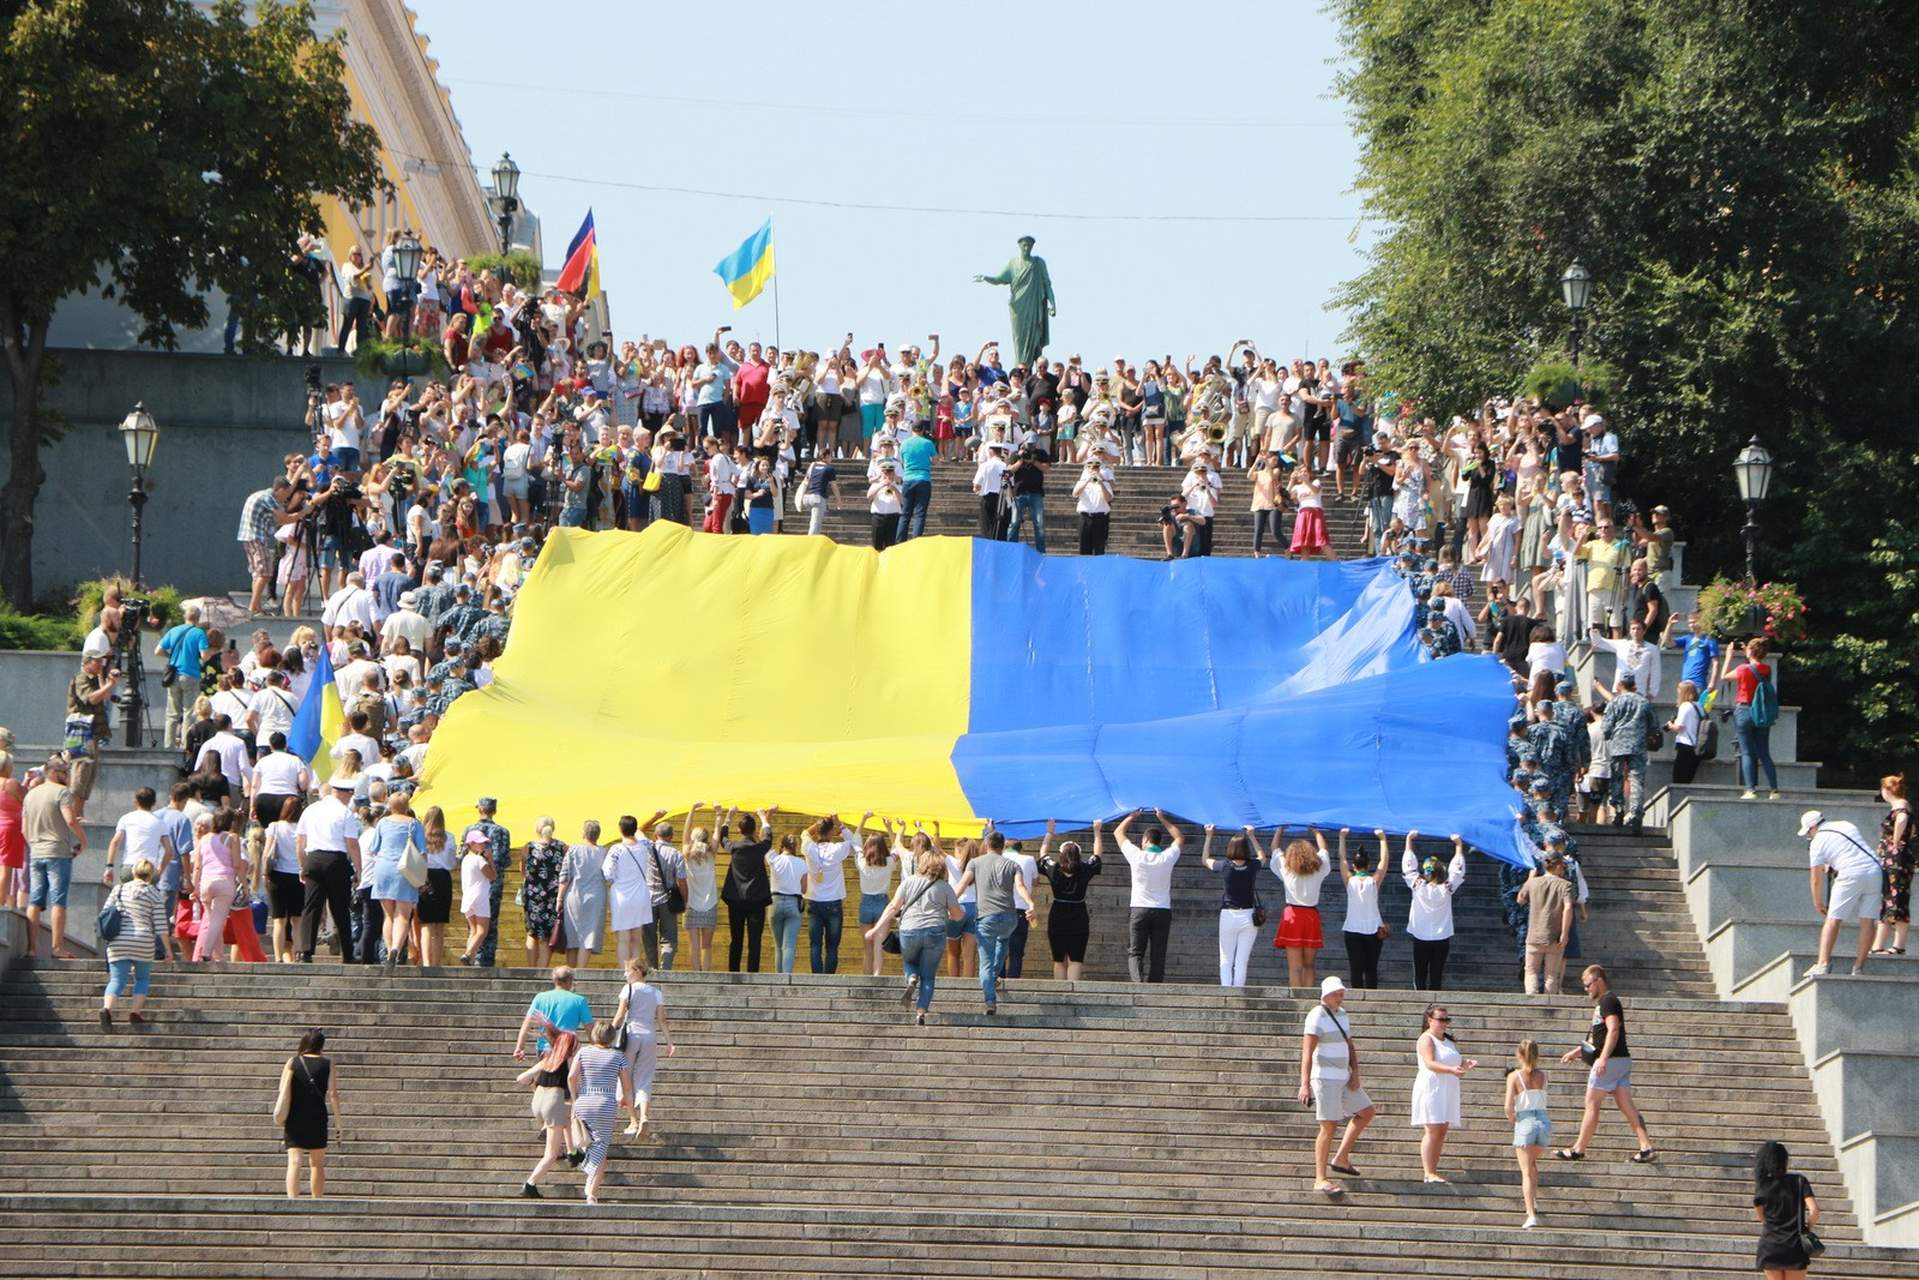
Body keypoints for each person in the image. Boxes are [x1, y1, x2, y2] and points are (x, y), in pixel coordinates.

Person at [1556, 964, 1657, 1164]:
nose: (1586, 989)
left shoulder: (1608, 1001)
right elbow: (1599, 1036)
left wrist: (1602, 1058)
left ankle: (1578, 1149)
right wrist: (1577, 1052)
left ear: (1599, 981)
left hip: (1609, 1062)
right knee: (1627, 1106)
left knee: (1591, 1105)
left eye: (1587, 985)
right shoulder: (1606, 1002)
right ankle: (1646, 1147)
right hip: (1621, 1061)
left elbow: (1613, 1030)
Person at [513, 966, 593, 1198]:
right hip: (566, 1053)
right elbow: (589, 1029)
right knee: (565, 1101)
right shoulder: (578, 1000)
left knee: (557, 1103)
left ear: (553, 980)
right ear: (571, 981)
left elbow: (527, 1024)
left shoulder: (541, 997)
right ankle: (565, 1148)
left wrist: (519, 1046)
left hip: (544, 1052)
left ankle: (569, 1148)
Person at [863, 847, 964, 1026]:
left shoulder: (908, 882)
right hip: (935, 931)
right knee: (928, 976)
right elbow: (957, 916)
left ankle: (910, 978)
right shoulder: (945, 887)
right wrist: (951, 912)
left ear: (922, 864)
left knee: (909, 961)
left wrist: (876, 929)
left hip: (909, 930)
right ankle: (921, 1013)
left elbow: (893, 907)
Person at [1298, 976, 1375, 1196]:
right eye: (1337, 994)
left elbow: (1349, 1045)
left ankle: (1341, 1158)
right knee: (1329, 1125)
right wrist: (1304, 1084)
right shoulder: (1316, 1015)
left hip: (1343, 1076)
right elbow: (1307, 1052)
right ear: (1326, 995)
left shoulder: (1342, 1015)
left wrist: (1355, 1072)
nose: (1341, 998)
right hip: (1325, 1077)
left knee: (1367, 1111)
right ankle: (1320, 1178)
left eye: (1342, 994)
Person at [950, 828, 1040, 1015]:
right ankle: (994, 978)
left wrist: (950, 904)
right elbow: (1021, 886)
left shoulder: (975, 863)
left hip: (986, 918)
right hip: (1009, 917)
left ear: (987, 845)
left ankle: (990, 1000)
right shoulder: (1012, 865)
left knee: (986, 962)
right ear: (1002, 846)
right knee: (1001, 948)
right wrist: (1031, 903)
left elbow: (961, 885)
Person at [1798, 809, 1881, 978]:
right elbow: (1849, 849)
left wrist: (1818, 902)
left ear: (1812, 827)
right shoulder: (1845, 824)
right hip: (1875, 871)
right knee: (1868, 921)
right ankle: (1858, 967)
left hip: (1850, 874)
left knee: (1833, 919)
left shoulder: (1817, 842)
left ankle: (1823, 963)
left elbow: (1816, 878)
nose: (1809, 836)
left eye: (1808, 832)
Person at [100, 858, 174, 1028]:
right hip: (144, 941)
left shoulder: (119, 890)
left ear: (133, 872)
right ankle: (135, 1013)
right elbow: (161, 925)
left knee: (117, 980)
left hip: (119, 940)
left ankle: (107, 1009)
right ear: (152, 875)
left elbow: (105, 912)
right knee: (142, 978)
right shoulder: (155, 894)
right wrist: (168, 950)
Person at [296, 775, 363, 964]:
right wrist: (359, 869)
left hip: (313, 858)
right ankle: (348, 954)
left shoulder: (311, 810)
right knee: (340, 908)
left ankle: (305, 951)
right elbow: (352, 844)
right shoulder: (344, 812)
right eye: (349, 794)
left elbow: (300, 841)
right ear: (342, 793)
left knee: (311, 906)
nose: (350, 798)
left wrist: (303, 865)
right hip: (335, 860)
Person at [23, 756, 84, 959]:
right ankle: (57, 948)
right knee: (58, 900)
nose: (67, 777)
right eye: (64, 773)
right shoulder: (61, 792)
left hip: (36, 852)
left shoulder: (31, 794)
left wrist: (34, 844)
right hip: (58, 851)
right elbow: (70, 820)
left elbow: (24, 829)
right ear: (54, 772)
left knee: (35, 901)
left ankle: (31, 949)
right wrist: (83, 841)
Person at [1411, 1004, 1477, 1183]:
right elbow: (1430, 1063)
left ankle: (1433, 1170)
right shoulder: (1426, 1039)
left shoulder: (1448, 1041)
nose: (1444, 1023)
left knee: (1441, 1131)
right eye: (1441, 1019)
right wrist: (1450, 1070)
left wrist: (1465, 1065)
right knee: (1432, 1129)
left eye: (1446, 1020)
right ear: (1430, 1020)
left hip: (1448, 1087)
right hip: (1432, 1088)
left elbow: (1454, 1061)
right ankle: (1428, 1172)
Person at [567, 1022, 631, 1205]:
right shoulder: (618, 1056)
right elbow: (627, 1086)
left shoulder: (583, 1052)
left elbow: (572, 1077)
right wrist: (627, 1102)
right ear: (612, 1037)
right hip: (605, 1103)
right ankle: (591, 1193)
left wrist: (575, 1098)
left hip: (584, 1101)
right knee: (601, 1147)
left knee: (591, 1144)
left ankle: (590, 1182)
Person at [1115, 808, 1182, 983]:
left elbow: (1118, 832)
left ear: (1145, 840)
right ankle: (1155, 987)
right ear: (1159, 842)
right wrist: (1162, 818)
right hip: (1162, 910)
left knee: (1136, 951)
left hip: (1139, 909)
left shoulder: (1137, 856)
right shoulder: (1167, 857)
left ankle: (1138, 984)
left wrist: (1131, 816)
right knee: (1158, 953)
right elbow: (1180, 838)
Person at [612, 956, 676, 1138]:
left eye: (627, 970)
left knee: (625, 1078)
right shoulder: (656, 992)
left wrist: (606, 1034)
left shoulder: (628, 989)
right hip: (649, 1035)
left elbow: (619, 1016)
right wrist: (669, 1041)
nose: (625, 974)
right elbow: (661, 1020)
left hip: (631, 1034)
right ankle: (645, 1115)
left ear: (637, 972)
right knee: (644, 1078)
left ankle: (633, 1120)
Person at [275, 1028, 341, 1198]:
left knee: (294, 1162)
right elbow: (333, 1094)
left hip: (295, 1117)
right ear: (321, 1045)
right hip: (317, 1117)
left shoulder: (293, 1062)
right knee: (317, 1164)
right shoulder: (328, 1063)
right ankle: (317, 1201)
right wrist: (339, 1123)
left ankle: (292, 1201)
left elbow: (282, 1089)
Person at [1200, 825, 1266, 988]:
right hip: (1248, 916)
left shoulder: (1225, 866)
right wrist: (1252, 836)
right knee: (1242, 960)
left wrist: (1209, 836)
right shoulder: (1252, 866)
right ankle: (1237, 990)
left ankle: (1226, 991)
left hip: (1228, 915)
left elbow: (1205, 860)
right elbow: (1262, 856)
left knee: (1226, 958)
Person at [1037, 822, 1102, 981]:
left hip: (1057, 915)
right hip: (1078, 915)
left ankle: (1059, 993)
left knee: (1059, 960)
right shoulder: (1085, 869)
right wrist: (1097, 832)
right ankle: (1073, 993)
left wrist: (1049, 832)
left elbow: (1043, 854)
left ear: (1061, 855)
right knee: (1076, 960)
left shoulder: (1053, 869)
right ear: (1079, 856)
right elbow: (1098, 855)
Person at [1401, 833, 1467, 990]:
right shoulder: (1447, 888)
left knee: (1420, 973)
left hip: (1420, 935)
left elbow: (1409, 868)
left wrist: (1409, 840)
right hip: (1442, 936)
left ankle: (1420, 1002)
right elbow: (1458, 872)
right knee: (1437, 974)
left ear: (1426, 872)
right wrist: (1458, 846)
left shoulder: (1418, 886)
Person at [803, 812, 866, 974]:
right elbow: (855, 843)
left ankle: (817, 976)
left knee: (815, 944)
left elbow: (804, 833)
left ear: (817, 832)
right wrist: (840, 825)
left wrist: (817, 826)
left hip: (814, 902)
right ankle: (829, 977)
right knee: (832, 946)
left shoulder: (809, 848)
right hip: (833, 903)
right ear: (831, 833)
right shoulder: (837, 849)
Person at [1719, 637, 1782, 800]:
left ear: (1750, 651)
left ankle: (1750, 790)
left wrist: (1728, 656)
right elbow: (1756, 669)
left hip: (1744, 711)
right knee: (1764, 752)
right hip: (1761, 713)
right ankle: (1774, 790)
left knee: (1747, 753)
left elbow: (1724, 676)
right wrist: (1748, 651)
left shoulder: (1742, 669)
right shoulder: (1767, 669)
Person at [1272, 827, 1333, 990]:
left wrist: (1279, 831)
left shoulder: (1286, 869)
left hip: (1292, 915)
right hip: (1311, 916)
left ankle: (1297, 999)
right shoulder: (1318, 868)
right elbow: (1324, 851)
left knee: (1295, 967)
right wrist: (1317, 832)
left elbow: (1275, 850)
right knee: (1309, 965)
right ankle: (1307, 996)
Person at [1752, 1140, 1820, 1279]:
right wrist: (1808, 1228)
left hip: (1770, 1244)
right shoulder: (1799, 1181)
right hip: (1795, 1245)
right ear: (1784, 1160)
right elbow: (1814, 1211)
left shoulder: (1763, 1184)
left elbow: (1761, 1215)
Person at [720, 805, 774, 972]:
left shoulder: (735, 848)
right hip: (756, 900)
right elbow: (768, 836)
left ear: (739, 830)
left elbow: (723, 838)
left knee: (736, 938)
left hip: (736, 899)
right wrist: (763, 816)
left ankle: (733, 971)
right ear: (754, 830)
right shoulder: (760, 848)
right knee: (754, 940)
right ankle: (753, 972)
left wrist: (728, 817)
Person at [192, 809, 248, 966]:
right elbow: (237, 865)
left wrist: (195, 888)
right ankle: (206, 953)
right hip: (224, 881)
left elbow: (197, 866)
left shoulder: (204, 839)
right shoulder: (232, 838)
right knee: (217, 921)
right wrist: (244, 885)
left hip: (205, 883)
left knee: (211, 920)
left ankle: (218, 955)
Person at [1505, 1039, 1551, 1228]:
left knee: (1526, 1171)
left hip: (1525, 1121)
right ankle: (1533, 1199)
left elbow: (1508, 1106)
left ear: (1519, 1055)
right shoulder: (1543, 1075)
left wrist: (1513, 1119)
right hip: (1543, 1122)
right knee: (1532, 1164)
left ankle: (1530, 1213)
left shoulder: (1514, 1076)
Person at [602, 815, 657, 969]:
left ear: (620, 829)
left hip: (621, 895)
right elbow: (641, 834)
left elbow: (607, 873)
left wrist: (616, 882)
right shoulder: (645, 845)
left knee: (623, 938)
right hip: (641, 894)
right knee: (636, 937)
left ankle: (625, 971)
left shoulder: (616, 849)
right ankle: (636, 972)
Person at [1519, 851, 1576, 995]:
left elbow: (1520, 899)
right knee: (1551, 975)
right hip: (1555, 936)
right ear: (1557, 866)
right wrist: (1565, 933)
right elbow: (1568, 907)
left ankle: (1532, 1000)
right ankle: (1549, 1004)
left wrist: (1529, 879)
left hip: (1534, 935)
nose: (1564, 869)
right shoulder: (1566, 885)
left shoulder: (1533, 882)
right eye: (1563, 866)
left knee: (1531, 971)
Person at [154, 604, 209, 750]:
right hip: (191, 675)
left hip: (173, 675)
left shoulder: (173, 631)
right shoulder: (199, 633)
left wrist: (170, 657)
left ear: (185, 617)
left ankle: (169, 746)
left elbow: (157, 651)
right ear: (198, 619)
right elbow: (204, 655)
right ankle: (186, 746)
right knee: (189, 712)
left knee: (172, 713)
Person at [1339, 832, 1388, 989]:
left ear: (1354, 866)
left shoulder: (1349, 880)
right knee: (1371, 968)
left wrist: (1342, 837)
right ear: (1368, 865)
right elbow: (1384, 861)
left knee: (1356, 968)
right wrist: (1382, 839)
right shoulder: (1374, 881)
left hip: (1352, 929)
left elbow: (1342, 859)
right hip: (1373, 929)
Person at [558, 820, 608, 970]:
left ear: (583, 833)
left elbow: (564, 876)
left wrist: (559, 898)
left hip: (574, 895)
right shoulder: (604, 852)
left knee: (572, 936)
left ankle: (571, 973)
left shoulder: (573, 850)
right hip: (596, 896)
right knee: (589, 935)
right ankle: (580, 971)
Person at [1874, 774, 1912, 957]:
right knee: (1887, 898)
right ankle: (1878, 944)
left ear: (1887, 790)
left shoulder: (1901, 808)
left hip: (1897, 861)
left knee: (1897, 899)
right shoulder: (1900, 807)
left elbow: (1903, 820)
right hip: (1891, 860)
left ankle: (1898, 945)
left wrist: (1895, 841)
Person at [522, 817, 567, 970]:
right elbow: (566, 873)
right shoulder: (562, 847)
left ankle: (531, 970)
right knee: (546, 936)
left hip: (532, 896)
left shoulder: (528, 847)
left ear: (537, 830)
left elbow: (523, 871)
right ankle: (541, 971)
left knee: (532, 933)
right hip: (553, 897)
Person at [415, 807, 456, 967]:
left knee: (426, 925)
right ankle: (436, 963)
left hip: (425, 877)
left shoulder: (421, 837)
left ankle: (426, 962)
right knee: (439, 926)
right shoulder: (449, 837)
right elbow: (452, 862)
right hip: (443, 878)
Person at [767, 833, 807, 974]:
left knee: (778, 946)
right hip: (793, 903)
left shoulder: (774, 859)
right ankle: (787, 977)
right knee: (789, 945)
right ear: (795, 847)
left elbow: (764, 838)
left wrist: (767, 818)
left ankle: (778, 978)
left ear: (782, 846)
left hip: (775, 901)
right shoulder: (802, 863)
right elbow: (804, 889)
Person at [458, 829, 496, 966]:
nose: (483, 846)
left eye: (484, 843)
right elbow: (492, 876)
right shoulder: (479, 860)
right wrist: (490, 860)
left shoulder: (465, 860)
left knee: (473, 930)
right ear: (471, 844)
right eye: (480, 843)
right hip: (480, 896)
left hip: (467, 897)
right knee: (482, 931)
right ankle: (468, 954)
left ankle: (470, 959)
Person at [1666, 679, 1706, 786]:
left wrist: (1670, 725)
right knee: (1687, 780)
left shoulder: (1685, 706)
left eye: (1679, 690)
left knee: (1678, 779)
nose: (1678, 692)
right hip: (1697, 747)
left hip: (1685, 745)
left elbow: (1679, 727)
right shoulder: (1699, 706)